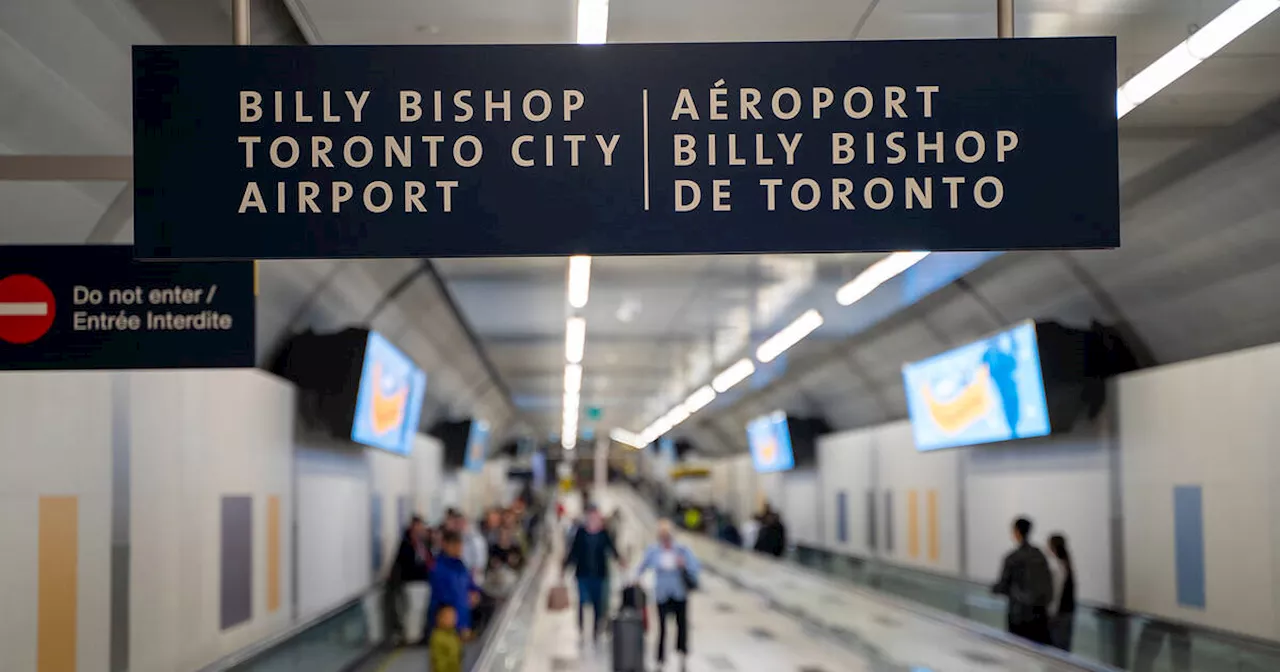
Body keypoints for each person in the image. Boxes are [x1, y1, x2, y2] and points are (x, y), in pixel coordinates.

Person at [634, 519, 700, 671]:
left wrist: (683, 564)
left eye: (668, 536)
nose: (665, 539)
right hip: (662, 594)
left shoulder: (682, 550)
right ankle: (660, 659)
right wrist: (636, 578)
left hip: (679, 593)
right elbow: (642, 565)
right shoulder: (654, 550)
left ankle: (682, 655)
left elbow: (695, 566)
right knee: (662, 628)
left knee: (681, 626)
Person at [562, 506, 624, 643]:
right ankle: (581, 628)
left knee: (597, 603)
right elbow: (574, 551)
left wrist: (620, 560)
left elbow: (611, 548)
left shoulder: (604, 533)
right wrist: (566, 565)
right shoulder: (581, 533)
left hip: (599, 574)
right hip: (582, 574)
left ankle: (596, 629)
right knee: (582, 601)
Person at [993, 517, 1053, 645]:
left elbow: (1003, 586)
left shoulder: (1012, 558)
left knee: (1019, 651)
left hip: (1018, 615)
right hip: (1039, 614)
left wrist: (994, 589)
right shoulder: (1039, 555)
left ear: (1016, 532)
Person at [426, 530, 482, 644]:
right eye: (455, 545)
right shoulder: (438, 568)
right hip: (447, 625)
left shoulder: (461, 566)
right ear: (445, 545)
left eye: (460, 545)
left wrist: (475, 593)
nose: (459, 548)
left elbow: (471, 584)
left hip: (464, 622)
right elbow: (442, 597)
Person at [383, 516, 432, 643]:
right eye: (418, 526)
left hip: (423, 580)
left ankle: (416, 633)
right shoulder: (406, 544)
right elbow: (401, 561)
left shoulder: (423, 543)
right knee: (411, 609)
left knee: (419, 609)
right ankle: (411, 635)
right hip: (410, 580)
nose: (421, 529)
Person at [1047, 533, 1076, 651]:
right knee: (1064, 648)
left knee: (1056, 649)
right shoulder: (1066, 564)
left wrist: (1049, 614)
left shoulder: (1056, 567)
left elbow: (1056, 594)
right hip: (1067, 612)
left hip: (1059, 615)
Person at [428, 605, 463, 672]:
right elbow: (438, 661)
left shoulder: (454, 634)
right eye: (448, 617)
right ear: (439, 618)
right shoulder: (437, 637)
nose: (452, 620)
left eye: (453, 617)